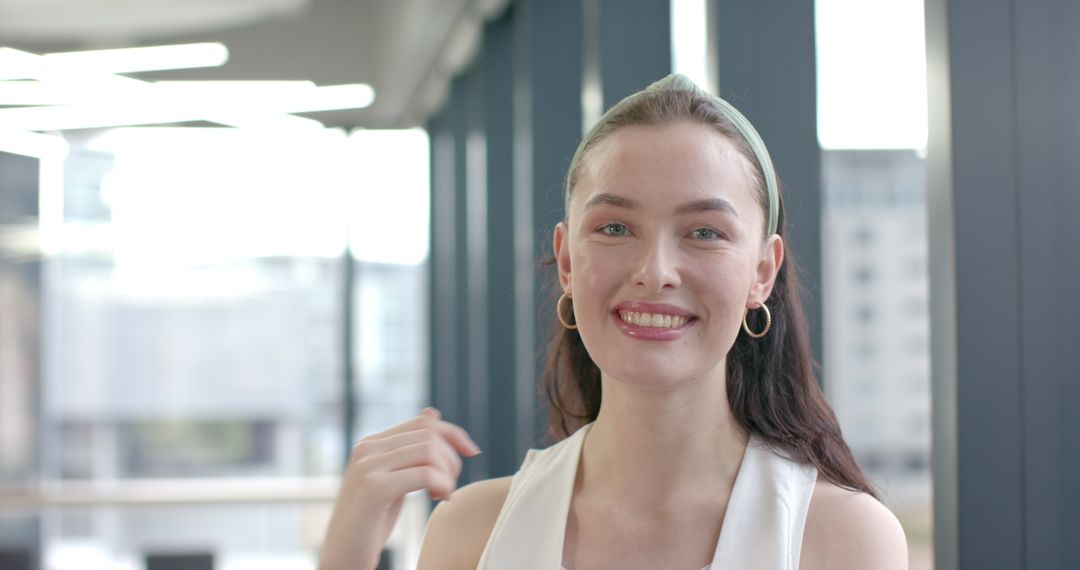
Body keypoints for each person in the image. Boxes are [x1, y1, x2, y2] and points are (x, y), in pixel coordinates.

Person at [318, 75, 908, 570]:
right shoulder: (472, 534)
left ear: (761, 273)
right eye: (616, 228)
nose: (655, 273)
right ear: (569, 261)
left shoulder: (840, 540)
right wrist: (349, 544)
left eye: (704, 232)